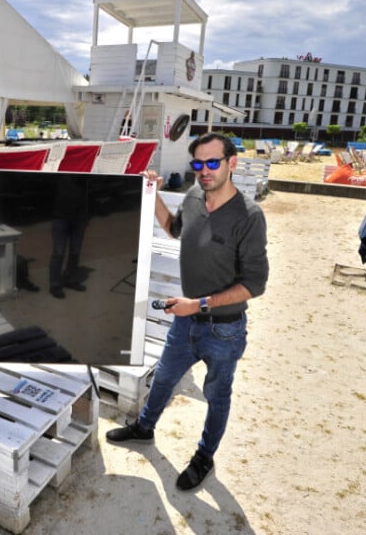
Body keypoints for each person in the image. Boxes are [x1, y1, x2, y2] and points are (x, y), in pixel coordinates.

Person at [106, 132, 269, 491]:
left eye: (214, 162)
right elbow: (174, 229)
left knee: (217, 396)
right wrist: (153, 195)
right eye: (199, 163)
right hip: (185, 321)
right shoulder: (195, 196)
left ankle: (204, 457)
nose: (205, 171)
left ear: (232, 163)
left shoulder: (249, 216)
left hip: (224, 330)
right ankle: (145, 428)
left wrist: (201, 304)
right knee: (163, 378)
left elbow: (256, 284)